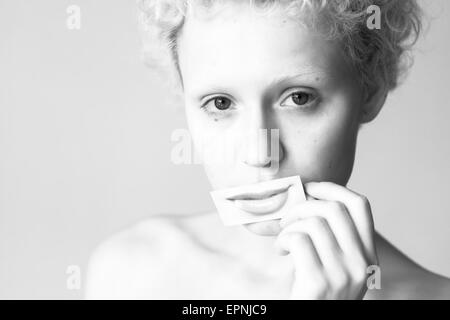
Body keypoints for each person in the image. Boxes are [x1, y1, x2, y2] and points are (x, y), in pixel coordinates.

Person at [85, 0, 450, 299]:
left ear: (371, 91)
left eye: (299, 98)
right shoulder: (129, 273)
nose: (261, 153)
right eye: (221, 104)